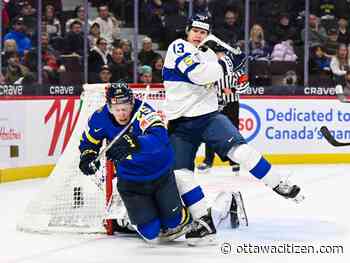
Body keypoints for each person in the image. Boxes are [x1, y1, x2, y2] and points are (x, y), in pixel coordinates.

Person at [162, 14, 304, 243]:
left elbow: (239, 83)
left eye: (203, 32)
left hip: (209, 116)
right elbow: (198, 75)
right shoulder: (178, 47)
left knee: (240, 151)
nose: (198, 35)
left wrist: (237, 69)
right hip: (180, 122)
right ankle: (202, 219)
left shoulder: (208, 54)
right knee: (180, 174)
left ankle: (279, 183)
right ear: (188, 31)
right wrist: (226, 63)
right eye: (195, 30)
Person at [78, 81, 194, 243]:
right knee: (150, 232)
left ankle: (180, 210)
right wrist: (87, 156)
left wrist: (134, 143)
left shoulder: (144, 111)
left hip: (159, 174)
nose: (122, 114)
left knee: (174, 221)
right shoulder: (99, 118)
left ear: (132, 103)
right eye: (117, 109)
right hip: (131, 182)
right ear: (109, 107)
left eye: (125, 108)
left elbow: (160, 138)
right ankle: (139, 215)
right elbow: (88, 143)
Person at [197, 41, 243, 175]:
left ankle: (234, 162)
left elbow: (244, 86)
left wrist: (232, 89)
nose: (219, 56)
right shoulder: (210, 68)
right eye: (217, 54)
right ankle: (208, 161)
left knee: (233, 132)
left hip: (231, 104)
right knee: (211, 132)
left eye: (220, 54)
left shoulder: (235, 68)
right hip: (215, 104)